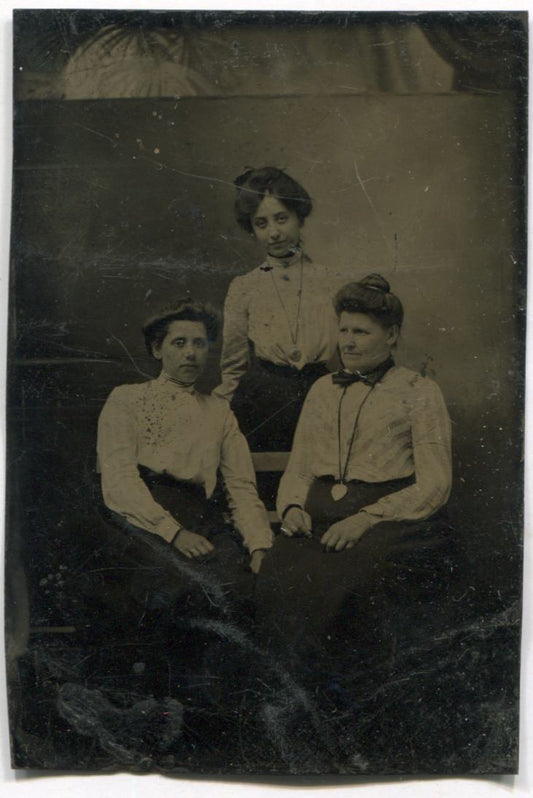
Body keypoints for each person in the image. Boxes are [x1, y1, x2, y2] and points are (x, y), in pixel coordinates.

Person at [254, 274, 455, 686]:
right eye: (343, 330)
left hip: (391, 521)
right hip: (320, 516)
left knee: (349, 582)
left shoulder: (419, 391)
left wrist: (365, 519)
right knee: (280, 570)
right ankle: (287, 695)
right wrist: (291, 506)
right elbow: (301, 467)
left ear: (392, 335)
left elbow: (435, 484)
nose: (347, 341)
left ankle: (343, 699)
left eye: (361, 332)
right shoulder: (322, 390)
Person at [94, 299, 273, 632]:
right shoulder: (127, 399)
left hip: (201, 519)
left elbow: (241, 488)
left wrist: (259, 544)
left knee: (237, 587)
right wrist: (173, 532)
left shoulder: (219, 412)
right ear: (157, 349)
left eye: (199, 344)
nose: (191, 353)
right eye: (179, 343)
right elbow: (119, 481)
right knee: (174, 589)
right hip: (140, 521)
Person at [215, 166, 342, 454]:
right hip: (262, 401)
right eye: (261, 224)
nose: (273, 233)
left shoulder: (331, 282)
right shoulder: (244, 287)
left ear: (299, 217)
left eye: (281, 219)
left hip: (321, 396)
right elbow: (233, 368)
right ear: (252, 229)